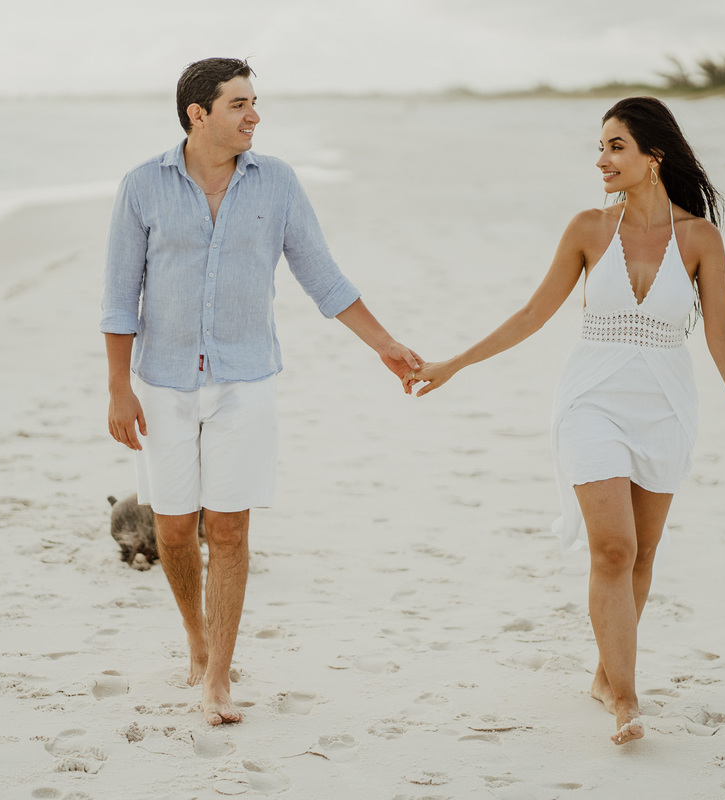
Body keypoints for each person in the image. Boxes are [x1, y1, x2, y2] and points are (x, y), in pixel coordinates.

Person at [403, 97, 725, 745]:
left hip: (664, 403)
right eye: (600, 147)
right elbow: (530, 315)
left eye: (616, 146)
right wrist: (454, 363)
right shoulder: (587, 229)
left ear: (654, 155)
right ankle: (626, 699)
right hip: (590, 401)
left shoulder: (699, 239)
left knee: (644, 552)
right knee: (614, 547)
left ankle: (607, 672)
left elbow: (720, 331)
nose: (601, 160)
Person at [101, 57, 421, 726]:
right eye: (239, 104)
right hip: (161, 383)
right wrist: (117, 390)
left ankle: (217, 674)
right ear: (198, 114)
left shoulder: (276, 183)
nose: (253, 115)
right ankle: (194, 634)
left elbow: (323, 277)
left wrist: (386, 344)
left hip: (245, 380)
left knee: (231, 528)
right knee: (175, 529)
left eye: (254, 102)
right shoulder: (142, 187)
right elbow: (118, 298)